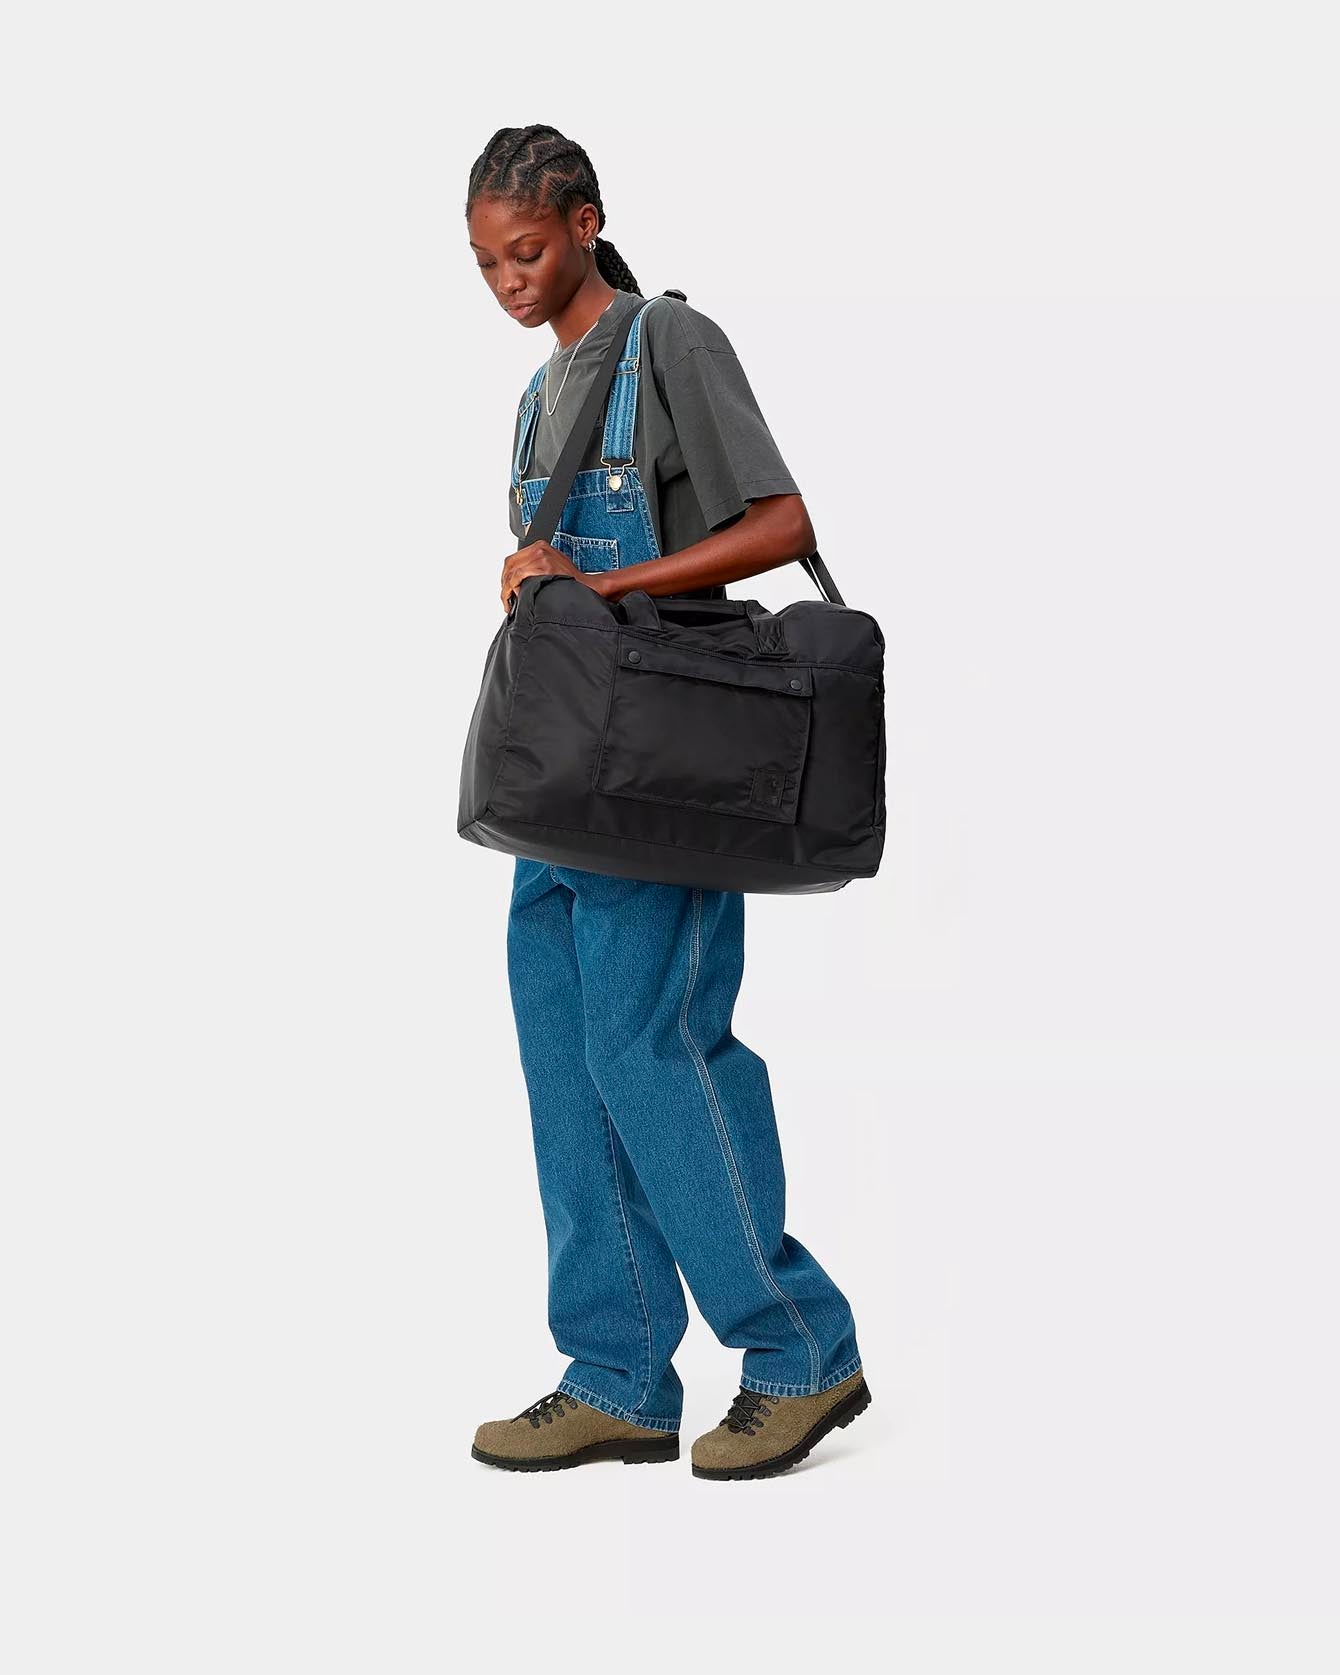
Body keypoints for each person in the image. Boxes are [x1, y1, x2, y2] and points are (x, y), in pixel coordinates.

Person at [464, 125, 870, 1480]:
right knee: (566, 1065)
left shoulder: (668, 342)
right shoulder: (540, 395)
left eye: (526, 251)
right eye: (485, 264)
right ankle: (618, 1373)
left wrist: (602, 588)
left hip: (659, 773)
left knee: (653, 1052)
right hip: (555, 779)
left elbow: (783, 526)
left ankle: (800, 1350)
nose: (508, 282)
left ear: (586, 223)